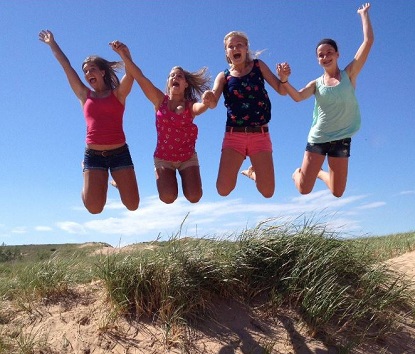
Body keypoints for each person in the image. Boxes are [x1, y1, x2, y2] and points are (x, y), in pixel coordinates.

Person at [277, 3, 374, 197]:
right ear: (318, 60)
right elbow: (297, 97)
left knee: (338, 192)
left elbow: (368, 41)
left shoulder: (349, 74)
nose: (325, 56)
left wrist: (363, 14)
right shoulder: (316, 84)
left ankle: (319, 173)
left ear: (337, 54)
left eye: (329, 52)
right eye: (321, 55)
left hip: (341, 139)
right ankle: (298, 173)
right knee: (304, 189)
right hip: (319, 138)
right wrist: (284, 80)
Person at [39, 30, 139, 214]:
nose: (87, 73)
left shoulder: (118, 94)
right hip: (93, 155)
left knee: (133, 205)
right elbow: (66, 66)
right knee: (94, 209)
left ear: (102, 72)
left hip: (120, 153)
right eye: (85, 71)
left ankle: (115, 180)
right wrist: (52, 43)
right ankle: (87, 172)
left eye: (92, 69)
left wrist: (125, 54)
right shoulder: (84, 95)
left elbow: (131, 75)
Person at [111, 41, 215, 204]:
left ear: (185, 84)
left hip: (187, 157)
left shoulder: (189, 105)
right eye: (172, 75)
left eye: (179, 76)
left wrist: (207, 103)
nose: (175, 77)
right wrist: (124, 55)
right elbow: (140, 77)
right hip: (163, 158)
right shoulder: (160, 100)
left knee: (195, 196)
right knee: (168, 197)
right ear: (168, 82)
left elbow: (199, 108)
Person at [208, 31, 288, 198]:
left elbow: (281, 90)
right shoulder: (224, 76)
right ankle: (243, 168)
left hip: (260, 135)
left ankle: (252, 173)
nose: (235, 48)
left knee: (267, 192)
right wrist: (208, 97)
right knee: (223, 190)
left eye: (239, 45)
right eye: (231, 46)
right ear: (227, 52)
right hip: (233, 136)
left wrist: (284, 78)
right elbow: (213, 100)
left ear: (246, 49)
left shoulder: (258, 66)